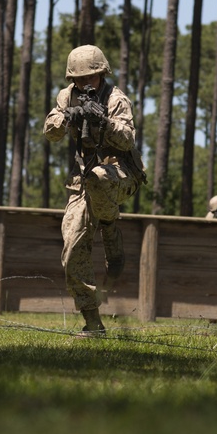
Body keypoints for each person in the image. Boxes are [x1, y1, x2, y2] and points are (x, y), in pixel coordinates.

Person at [44, 44, 146, 336]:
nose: (85, 84)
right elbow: (50, 132)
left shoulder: (117, 99)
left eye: (91, 78)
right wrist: (68, 117)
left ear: (102, 74)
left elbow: (127, 140)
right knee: (72, 247)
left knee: (100, 177)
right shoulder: (66, 96)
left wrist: (103, 121)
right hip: (82, 180)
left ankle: (111, 228)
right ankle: (93, 322)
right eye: (79, 80)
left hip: (121, 174)